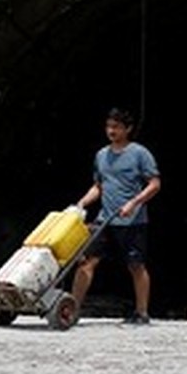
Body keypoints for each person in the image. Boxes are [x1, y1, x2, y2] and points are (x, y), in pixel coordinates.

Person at [71, 108, 162, 324]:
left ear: (128, 129)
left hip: (132, 220)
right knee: (85, 261)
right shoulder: (101, 155)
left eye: (116, 127)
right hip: (105, 219)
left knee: (136, 265)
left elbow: (155, 184)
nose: (111, 131)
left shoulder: (140, 153)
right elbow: (99, 186)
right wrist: (82, 203)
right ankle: (72, 309)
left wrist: (134, 203)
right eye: (108, 126)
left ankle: (142, 312)